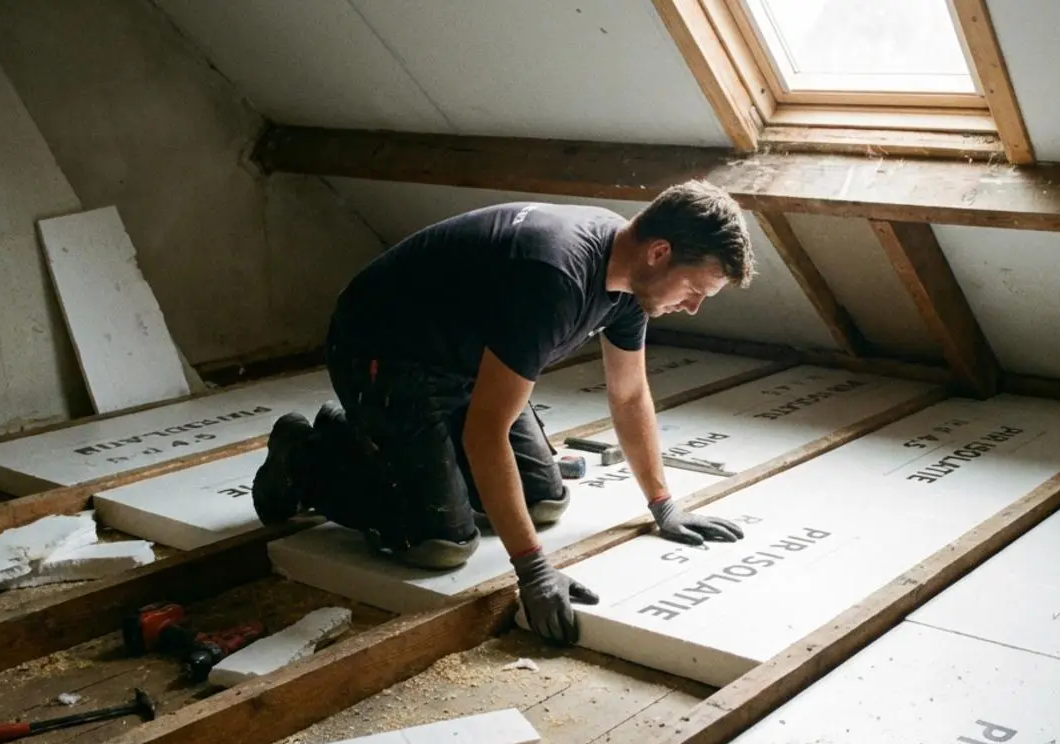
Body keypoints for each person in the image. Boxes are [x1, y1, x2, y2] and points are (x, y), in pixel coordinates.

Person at [251, 180, 757, 645]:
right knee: (440, 544)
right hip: (386, 355)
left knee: (543, 503)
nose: (692, 307)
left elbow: (629, 396)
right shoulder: (556, 277)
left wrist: (662, 504)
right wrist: (533, 570)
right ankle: (309, 455)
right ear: (660, 252)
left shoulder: (628, 280)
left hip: (467, 358)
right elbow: (486, 432)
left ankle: (404, 449)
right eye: (694, 290)